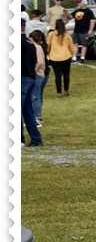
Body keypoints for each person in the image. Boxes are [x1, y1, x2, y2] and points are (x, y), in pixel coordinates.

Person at [20, 18, 42, 146]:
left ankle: (19, 139)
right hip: (30, 78)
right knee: (28, 112)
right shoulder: (30, 43)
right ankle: (36, 139)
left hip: (21, 79)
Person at [45, 19, 73, 96]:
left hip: (55, 57)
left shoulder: (51, 34)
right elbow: (71, 47)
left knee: (58, 75)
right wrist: (71, 55)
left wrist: (48, 54)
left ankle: (59, 92)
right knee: (66, 74)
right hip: (66, 56)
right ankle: (66, 90)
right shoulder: (67, 35)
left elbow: (48, 45)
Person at [27, 30, 47, 124]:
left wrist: (33, 72)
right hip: (38, 74)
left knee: (35, 96)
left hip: (38, 75)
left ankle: (37, 118)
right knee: (35, 96)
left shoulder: (37, 48)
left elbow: (40, 62)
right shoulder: (37, 47)